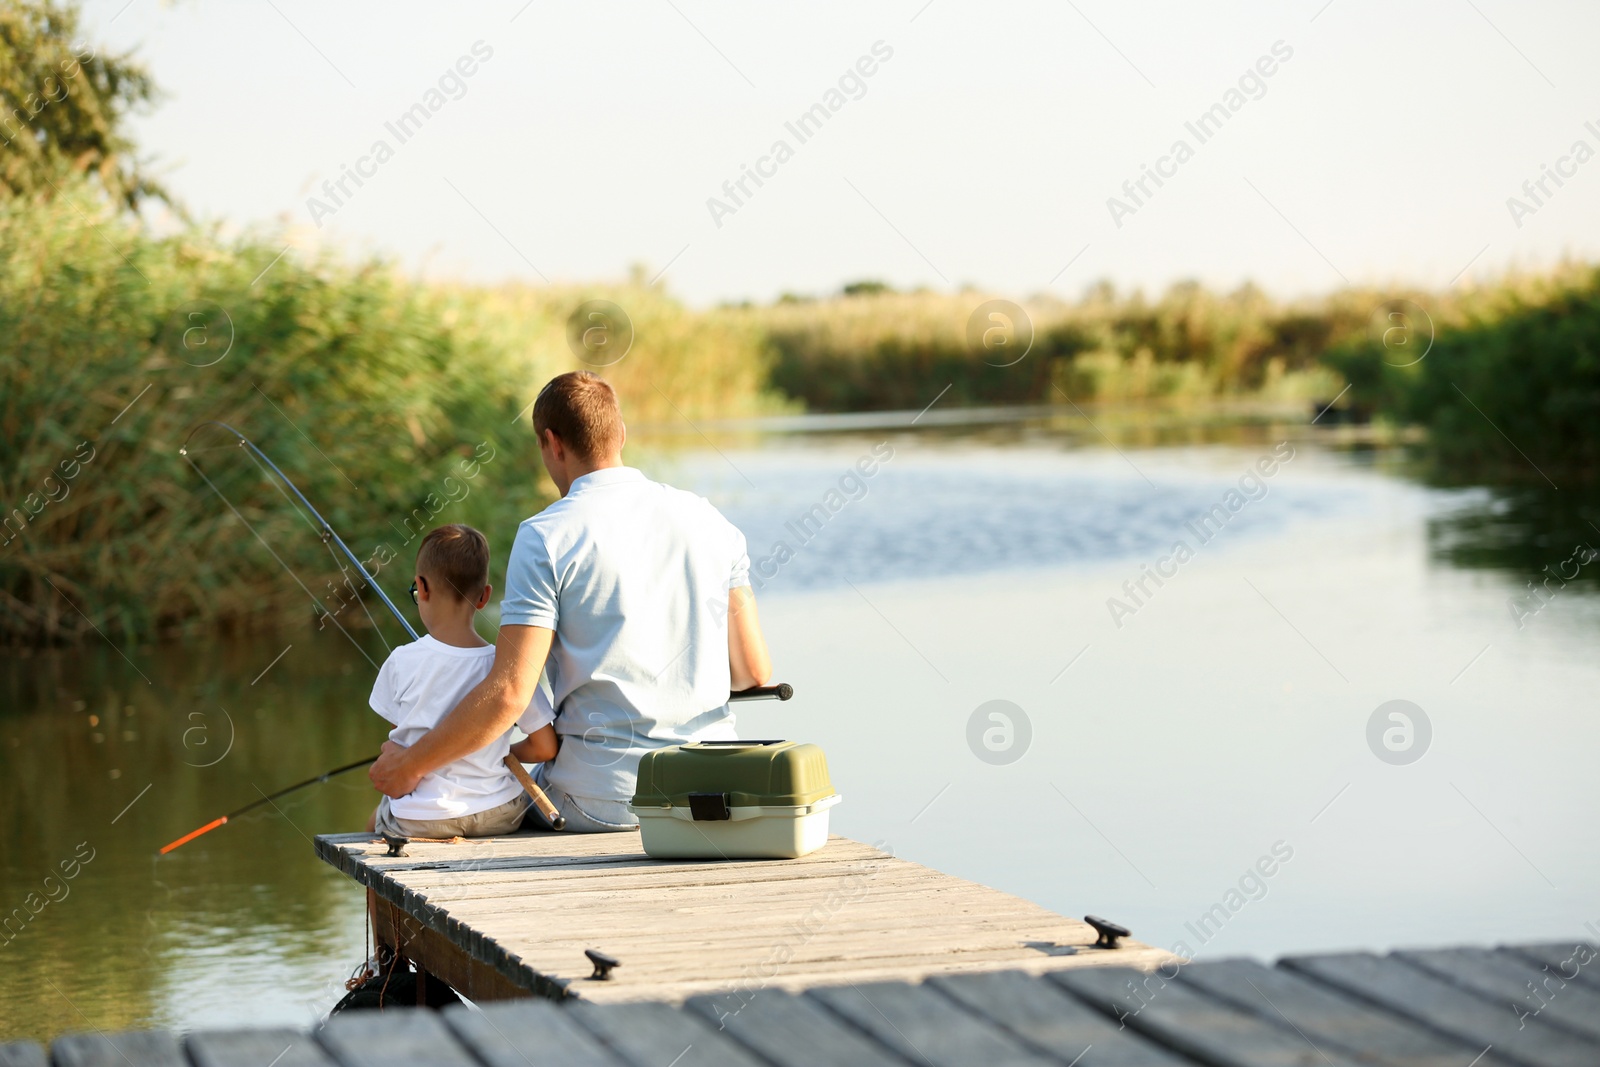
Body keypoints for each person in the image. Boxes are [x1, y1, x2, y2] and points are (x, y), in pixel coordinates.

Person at [369, 371, 772, 832]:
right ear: (621, 433)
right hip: (714, 790)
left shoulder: (545, 535)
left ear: (552, 444)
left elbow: (511, 693)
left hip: (603, 802)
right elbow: (754, 673)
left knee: (445, 802)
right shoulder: (710, 519)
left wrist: (411, 765)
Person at [365, 524, 558, 839]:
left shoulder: (401, 660)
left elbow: (398, 745)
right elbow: (544, 747)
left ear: (421, 588)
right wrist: (496, 751)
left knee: (374, 820)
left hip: (424, 819)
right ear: (484, 597)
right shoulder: (507, 667)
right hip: (500, 814)